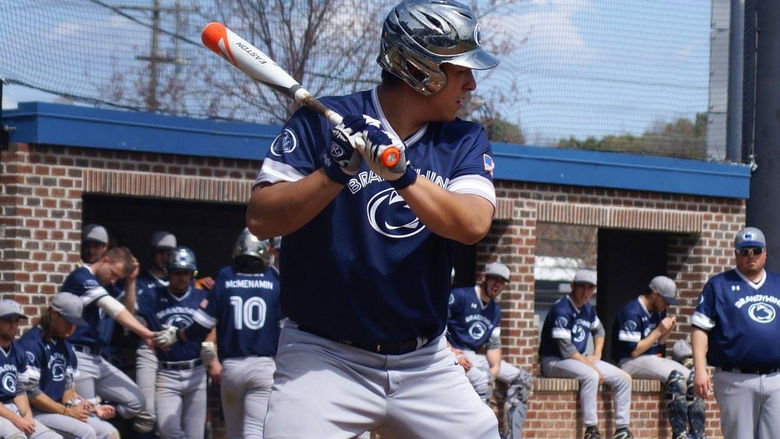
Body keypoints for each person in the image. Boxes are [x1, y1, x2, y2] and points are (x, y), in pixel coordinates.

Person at [244, 0, 501, 437]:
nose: (472, 84)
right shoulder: (319, 123)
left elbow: (472, 224)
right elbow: (261, 219)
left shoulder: (463, 138)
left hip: (423, 362)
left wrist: (402, 175)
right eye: (461, 71)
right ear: (421, 71)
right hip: (324, 357)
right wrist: (332, 173)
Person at [155, 229, 282, 438]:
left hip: (232, 368)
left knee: (234, 433)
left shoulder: (226, 276)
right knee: (255, 431)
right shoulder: (273, 279)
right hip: (264, 366)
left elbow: (201, 325)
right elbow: (283, 326)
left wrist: (178, 335)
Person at [692, 226, 780, 439]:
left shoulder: (777, 284)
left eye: (756, 251)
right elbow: (700, 329)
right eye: (744, 251)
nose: (750, 256)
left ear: (765, 252)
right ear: (735, 254)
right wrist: (700, 369)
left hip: (776, 377)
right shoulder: (718, 285)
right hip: (735, 378)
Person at [60, 246, 156, 432]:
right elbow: (113, 309)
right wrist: (146, 333)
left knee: (137, 401)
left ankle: (100, 413)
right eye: (113, 274)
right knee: (86, 422)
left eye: (117, 278)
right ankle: (96, 418)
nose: (113, 280)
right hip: (77, 355)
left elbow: (128, 312)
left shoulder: (109, 285)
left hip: (98, 358)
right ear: (104, 260)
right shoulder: (81, 277)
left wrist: (130, 281)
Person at [539, 269, 633, 439]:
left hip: (578, 360)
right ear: (572, 286)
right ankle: (591, 429)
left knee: (623, 377)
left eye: (589, 288)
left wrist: (597, 354)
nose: (585, 292)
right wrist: (592, 366)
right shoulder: (561, 308)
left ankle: (622, 429)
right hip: (554, 361)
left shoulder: (587, 309)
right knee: (591, 376)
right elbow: (566, 350)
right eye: (581, 287)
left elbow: (599, 331)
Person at [612, 275, 705, 439]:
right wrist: (659, 331)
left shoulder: (656, 311)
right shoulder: (631, 311)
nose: (667, 305)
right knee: (675, 378)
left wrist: (665, 332)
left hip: (649, 359)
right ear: (655, 294)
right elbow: (634, 351)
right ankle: (680, 434)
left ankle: (698, 434)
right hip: (629, 362)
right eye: (666, 300)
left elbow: (658, 343)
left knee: (691, 376)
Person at [446, 262, 531, 439]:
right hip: (454, 352)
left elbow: (493, 346)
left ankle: (512, 435)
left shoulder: (494, 309)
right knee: (483, 380)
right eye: (495, 279)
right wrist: (452, 352)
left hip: (475, 356)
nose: (497, 285)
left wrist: (495, 369)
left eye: (502, 282)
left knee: (523, 379)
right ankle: (479, 434)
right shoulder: (459, 296)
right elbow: (436, 328)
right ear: (484, 277)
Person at [20, 293, 119, 439]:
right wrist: (68, 412)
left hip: (59, 410)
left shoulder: (65, 346)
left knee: (108, 432)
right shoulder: (32, 343)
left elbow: (68, 390)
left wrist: (91, 408)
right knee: (86, 432)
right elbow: (31, 393)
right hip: (35, 412)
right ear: (54, 314)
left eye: (75, 324)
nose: (72, 328)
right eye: (68, 322)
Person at [138, 246, 208, 439]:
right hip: (167, 372)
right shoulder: (153, 296)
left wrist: (211, 348)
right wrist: (129, 282)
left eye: (186, 273)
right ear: (168, 272)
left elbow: (215, 323)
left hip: (196, 370)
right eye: (177, 272)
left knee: (196, 434)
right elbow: (128, 311)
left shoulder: (202, 296)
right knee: (167, 430)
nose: (181, 277)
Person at [132, 231, 177, 436]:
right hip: (150, 348)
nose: (165, 256)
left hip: (177, 354)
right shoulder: (141, 283)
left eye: (169, 252)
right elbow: (131, 314)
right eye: (160, 252)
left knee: (170, 416)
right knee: (147, 412)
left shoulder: (184, 280)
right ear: (151, 253)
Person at [0, 299, 60, 439]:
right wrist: (17, 421)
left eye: (16, 321)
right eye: (8, 320)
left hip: (13, 408)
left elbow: (20, 390)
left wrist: (27, 417)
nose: (14, 325)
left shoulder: (18, 350)